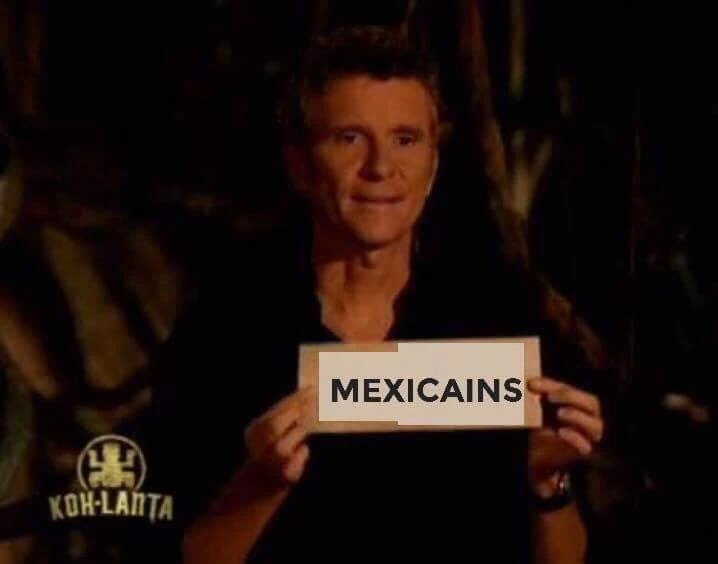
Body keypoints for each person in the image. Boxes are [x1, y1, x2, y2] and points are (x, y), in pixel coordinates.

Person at [154, 26, 604, 563]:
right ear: (299, 164)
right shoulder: (224, 330)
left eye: (405, 139)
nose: (381, 168)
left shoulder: (499, 317)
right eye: (349, 138)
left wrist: (548, 480)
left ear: (433, 163)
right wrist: (260, 483)